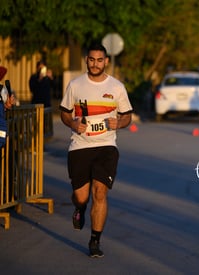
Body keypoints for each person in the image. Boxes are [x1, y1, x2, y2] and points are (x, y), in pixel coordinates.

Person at [59, 44, 133, 258]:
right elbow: (64, 113)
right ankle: (80, 209)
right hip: (80, 146)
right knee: (81, 197)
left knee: (100, 193)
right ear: (86, 60)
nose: (95, 64)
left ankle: (94, 241)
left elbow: (127, 115)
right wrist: (73, 124)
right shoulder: (75, 85)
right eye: (92, 60)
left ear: (106, 61)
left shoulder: (117, 87)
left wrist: (118, 123)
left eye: (100, 60)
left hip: (106, 147)